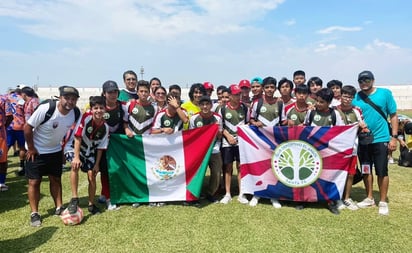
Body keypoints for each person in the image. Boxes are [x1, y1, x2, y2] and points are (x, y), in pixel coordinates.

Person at [24, 86, 81, 227]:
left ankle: (59, 207)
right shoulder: (47, 109)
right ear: (60, 97)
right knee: (34, 182)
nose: (70, 101)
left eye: (73, 99)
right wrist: (31, 148)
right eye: (67, 98)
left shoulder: (75, 112)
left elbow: (69, 134)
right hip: (36, 151)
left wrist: (62, 151)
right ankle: (34, 213)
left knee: (56, 179)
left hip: (55, 150)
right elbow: (27, 127)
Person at [352, 70, 398, 216]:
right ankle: (369, 197)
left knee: (382, 170)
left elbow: (394, 116)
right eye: (361, 81)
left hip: (381, 138)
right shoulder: (356, 97)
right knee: (366, 168)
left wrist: (394, 137)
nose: (364, 83)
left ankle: (383, 201)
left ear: (373, 80)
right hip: (364, 140)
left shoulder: (385, 93)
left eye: (367, 80)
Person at [304, 88, 344, 215]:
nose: (318, 104)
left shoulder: (335, 115)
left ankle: (330, 201)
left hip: (328, 152)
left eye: (321, 102)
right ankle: (305, 200)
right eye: (317, 101)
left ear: (329, 102)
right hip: (310, 151)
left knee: (327, 177)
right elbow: (304, 128)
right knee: (308, 175)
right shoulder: (310, 113)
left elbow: (341, 132)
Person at [67, 96, 109, 215]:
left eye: (101, 108)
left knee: (92, 174)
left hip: (89, 152)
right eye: (95, 108)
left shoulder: (105, 127)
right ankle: (74, 198)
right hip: (75, 147)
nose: (98, 111)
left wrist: (96, 164)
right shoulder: (86, 118)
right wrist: (76, 157)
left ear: (105, 110)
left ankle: (91, 204)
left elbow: (101, 147)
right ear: (91, 109)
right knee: (75, 166)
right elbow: (78, 138)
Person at [248, 76, 285, 208]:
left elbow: (283, 122)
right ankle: (256, 194)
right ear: (263, 88)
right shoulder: (257, 103)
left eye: (272, 87)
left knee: (274, 168)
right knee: (260, 167)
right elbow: (251, 119)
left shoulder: (280, 103)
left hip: (275, 141)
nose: (269, 90)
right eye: (267, 87)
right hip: (260, 141)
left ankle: (273, 196)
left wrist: (291, 123)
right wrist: (255, 122)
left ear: (275, 89)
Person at [335, 85, 367, 211]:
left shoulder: (357, 110)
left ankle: (347, 197)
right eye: (345, 96)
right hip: (336, 148)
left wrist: (363, 127)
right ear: (340, 96)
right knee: (337, 173)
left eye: (350, 97)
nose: (347, 99)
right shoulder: (334, 110)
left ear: (353, 98)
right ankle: (336, 197)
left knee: (350, 174)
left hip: (352, 147)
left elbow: (362, 126)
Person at [189, 96, 223, 203]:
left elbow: (220, 136)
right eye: (202, 104)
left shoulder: (217, 118)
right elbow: (192, 135)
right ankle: (195, 194)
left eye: (207, 104)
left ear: (211, 105)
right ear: (199, 106)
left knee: (216, 172)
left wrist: (217, 131)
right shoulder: (194, 118)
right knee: (197, 173)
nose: (205, 107)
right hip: (199, 150)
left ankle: (211, 193)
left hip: (214, 149)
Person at [219, 85, 249, 204]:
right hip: (227, 142)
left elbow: (247, 124)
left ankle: (242, 193)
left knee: (241, 167)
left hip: (241, 142)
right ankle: (227, 193)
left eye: (239, 94)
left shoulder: (245, 108)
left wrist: (241, 134)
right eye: (235, 94)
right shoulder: (222, 109)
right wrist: (228, 136)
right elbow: (220, 127)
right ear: (230, 95)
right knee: (228, 167)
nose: (237, 97)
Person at [99, 80, 125, 211]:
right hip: (102, 145)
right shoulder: (99, 108)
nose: (113, 94)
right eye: (110, 92)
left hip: (118, 145)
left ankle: (114, 193)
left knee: (117, 169)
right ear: (104, 93)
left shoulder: (122, 107)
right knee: (104, 171)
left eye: (115, 91)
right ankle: (108, 197)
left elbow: (126, 124)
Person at [6, 88, 26, 179]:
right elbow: (25, 112)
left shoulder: (7, 98)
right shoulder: (21, 98)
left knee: (5, 148)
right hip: (21, 126)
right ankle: (21, 166)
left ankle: (3, 167)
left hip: (9, 126)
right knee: (22, 147)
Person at [0, 95, 13, 191]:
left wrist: (3, 126)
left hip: (1, 134)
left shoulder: (3, 99)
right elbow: (9, 117)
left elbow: (9, 116)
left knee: (2, 160)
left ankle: (1, 183)